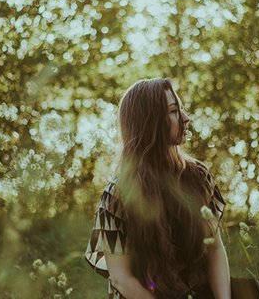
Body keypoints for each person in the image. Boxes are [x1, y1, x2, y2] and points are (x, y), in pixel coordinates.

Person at [85, 78, 230, 298]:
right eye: (173, 111)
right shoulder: (117, 194)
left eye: (181, 108)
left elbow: (215, 250)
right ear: (150, 122)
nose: (185, 118)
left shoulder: (198, 177)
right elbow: (120, 278)